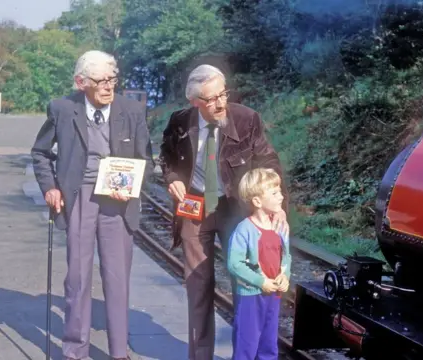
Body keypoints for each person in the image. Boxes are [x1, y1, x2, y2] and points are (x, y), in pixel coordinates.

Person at [158, 64, 289, 359]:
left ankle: (246, 354)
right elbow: (166, 155)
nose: (220, 103)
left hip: (237, 209)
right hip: (195, 206)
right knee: (198, 284)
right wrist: (173, 178)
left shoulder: (246, 119)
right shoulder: (180, 122)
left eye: (223, 94)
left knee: (246, 283)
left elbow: (268, 162)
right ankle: (200, 355)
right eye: (211, 99)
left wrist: (276, 206)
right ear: (195, 102)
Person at [31, 50, 153, 360]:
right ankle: (75, 351)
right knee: (78, 277)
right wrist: (50, 188)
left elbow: (146, 159)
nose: (108, 87)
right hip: (79, 197)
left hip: (118, 199)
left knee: (116, 277)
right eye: (100, 81)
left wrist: (133, 184)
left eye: (112, 79)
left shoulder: (132, 111)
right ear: (81, 82)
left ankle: (118, 352)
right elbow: (41, 153)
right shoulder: (62, 108)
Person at [227, 167, 291, 359]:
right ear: (257, 201)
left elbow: (286, 257)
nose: (281, 197)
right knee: (246, 342)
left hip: (274, 294)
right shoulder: (244, 230)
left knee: (269, 341)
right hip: (251, 295)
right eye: (274, 193)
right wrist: (260, 281)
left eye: (279, 191)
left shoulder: (280, 226)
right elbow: (235, 263)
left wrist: (284, 276)